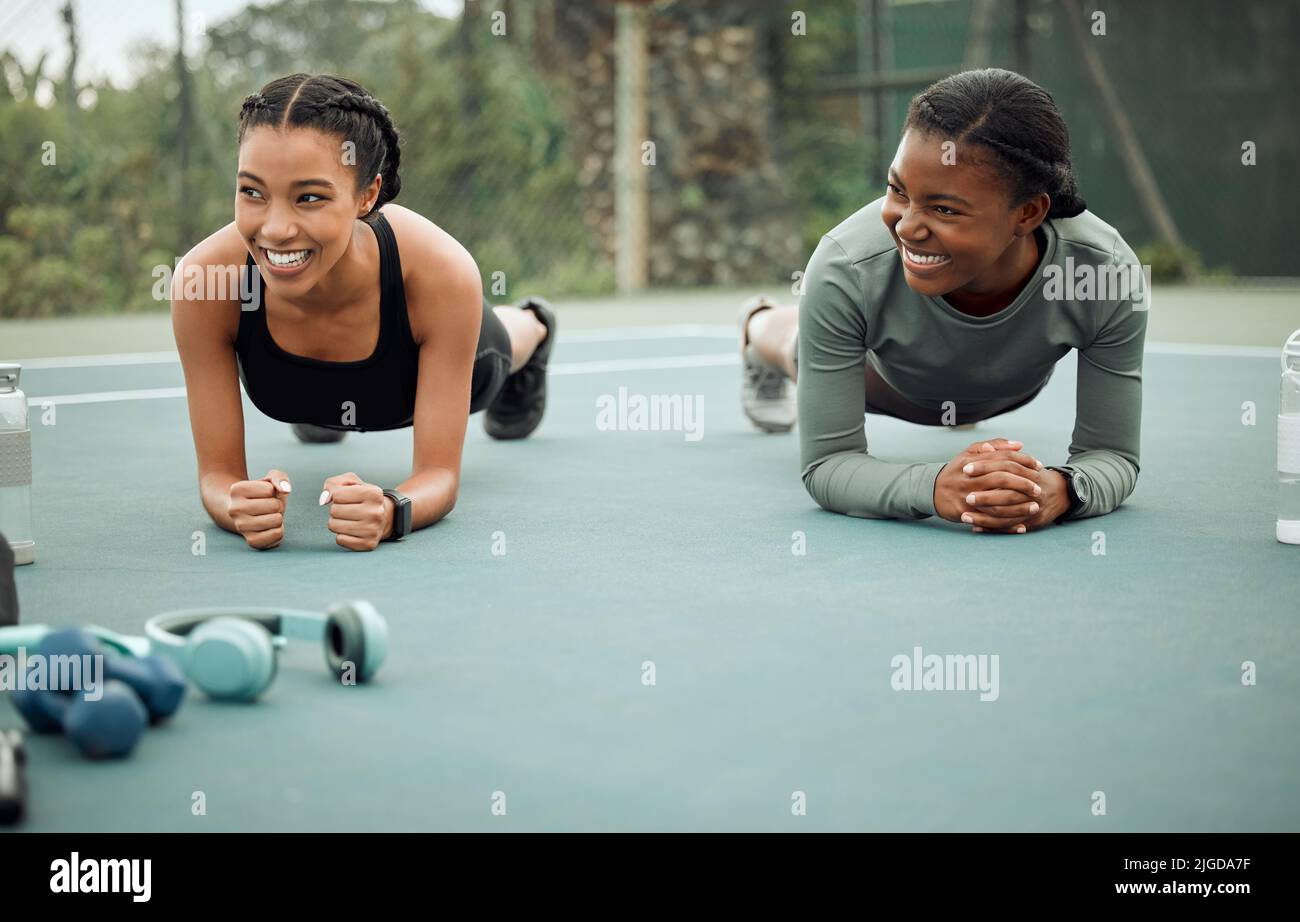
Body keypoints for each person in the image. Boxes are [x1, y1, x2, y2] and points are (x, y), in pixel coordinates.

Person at [739, 68, 1147, 534]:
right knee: (797, 342)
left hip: (1002, 392)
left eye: (945, 209)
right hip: (885, 383)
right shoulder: (845, 266)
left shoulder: (1103, 272)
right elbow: (828, 467)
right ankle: (756, 324)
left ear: (1029, 212)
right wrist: (935, 488)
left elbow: (1112, 455)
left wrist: (1061, 490)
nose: (907, 227)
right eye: (897, 190)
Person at [171, 73, 554, 552]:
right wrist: (234, 504)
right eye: (253, 192)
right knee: (319, 414)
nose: (275, 228)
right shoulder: (204, 283)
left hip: (428, 374)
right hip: (310, 393)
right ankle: (325, 411)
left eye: (309, 197)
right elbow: (217, 478)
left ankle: (535, 325)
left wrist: (394, 509)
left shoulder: (441, 272)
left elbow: (438, 476)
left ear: (367, 196)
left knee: (497, 349)